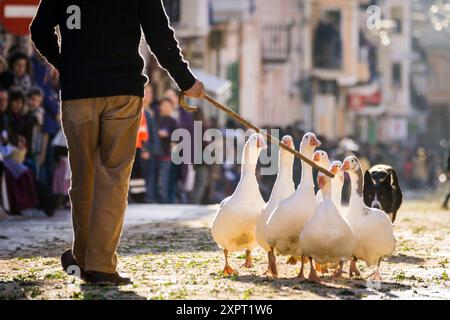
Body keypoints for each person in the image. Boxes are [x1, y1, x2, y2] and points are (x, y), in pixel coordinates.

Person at [30, 0, 205, 285]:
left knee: (83, 176)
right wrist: (186, 81)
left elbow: (39, 30)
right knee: (113, 177)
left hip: (78, 92)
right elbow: (160, 37)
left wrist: (66, 64)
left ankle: (84, 258)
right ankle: (99, 264)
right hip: (122, 91)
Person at [141, 85, 162, 203]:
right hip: (146, 151)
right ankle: (144, 198)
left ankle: (150, 197)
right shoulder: (141, 111)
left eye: (150, 93)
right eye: (147, 92)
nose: (150, 95)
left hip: (153, 151)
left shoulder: (150, 111)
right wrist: (144, 149)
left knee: (152, 178)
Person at [156, 98, 178, 203]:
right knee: (154, 178)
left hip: (166, 156)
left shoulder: (172, 121)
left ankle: (164, 201)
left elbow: (176, 138)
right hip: (154, 154)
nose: (165, 107)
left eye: (168, 106)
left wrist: (165, 135)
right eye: (163, 105)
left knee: (163, 179)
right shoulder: (155, 118)